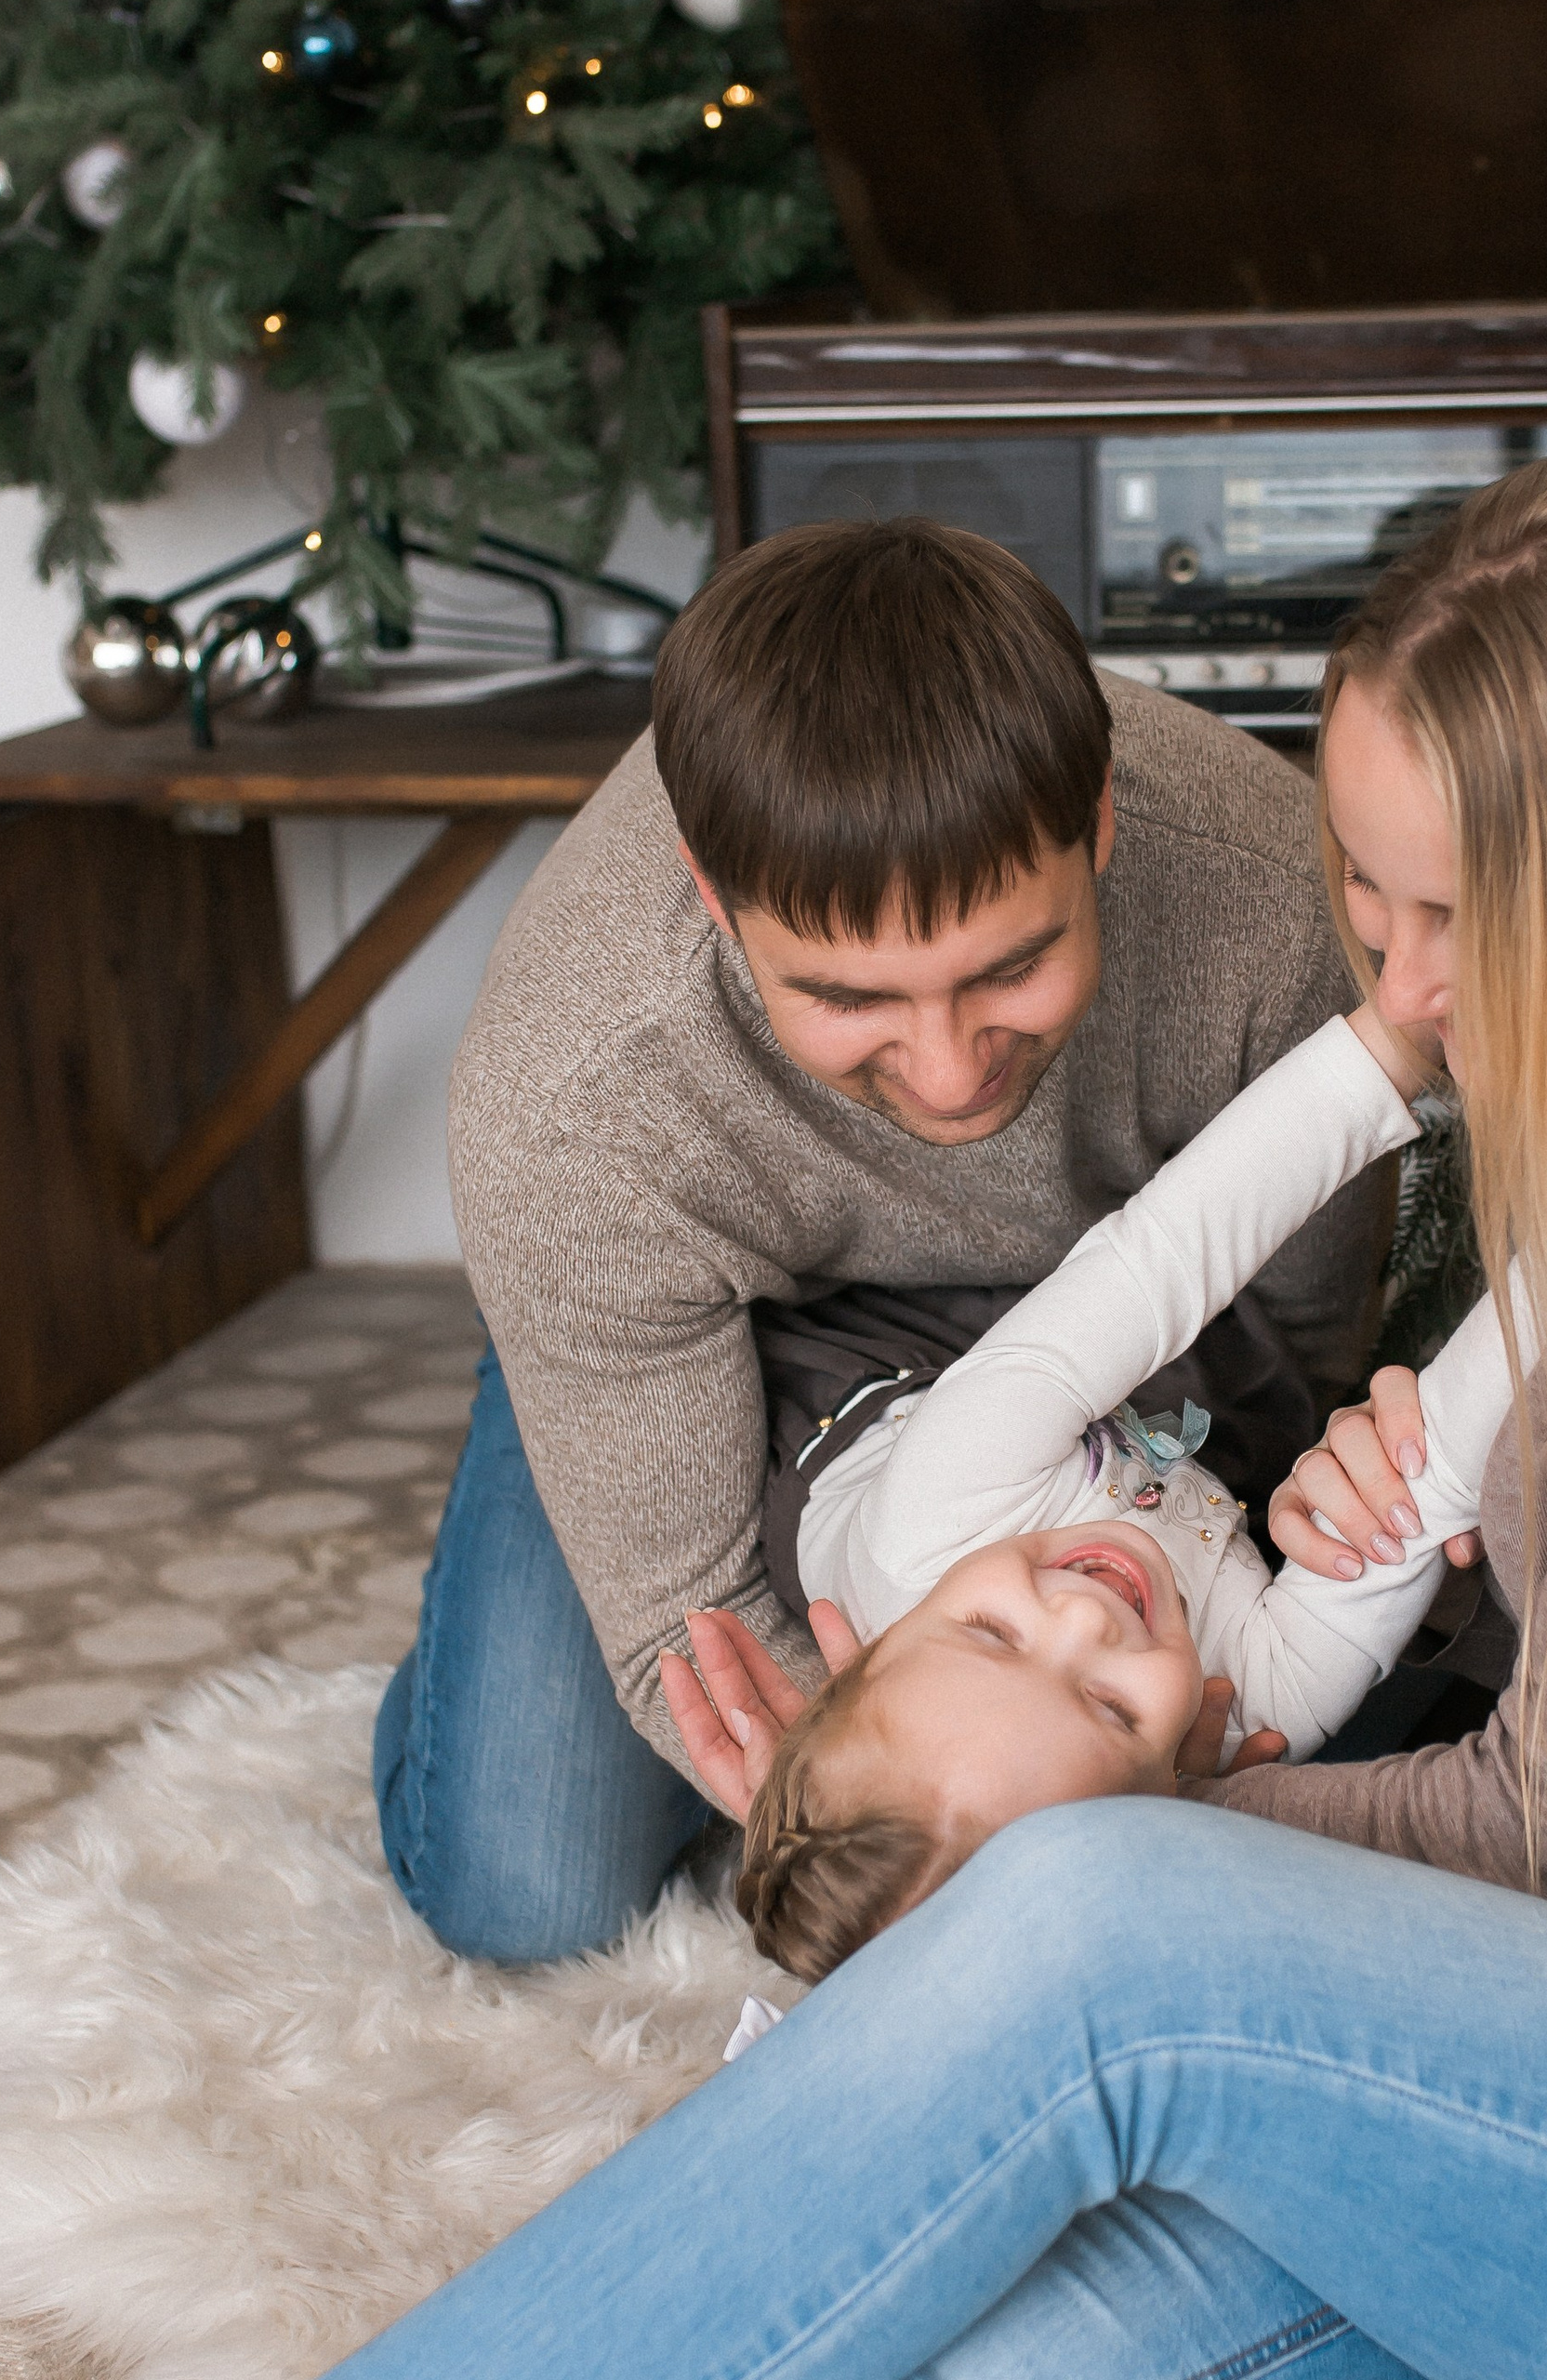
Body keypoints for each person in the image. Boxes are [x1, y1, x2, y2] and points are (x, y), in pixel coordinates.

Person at [332, 452, 1547, 2380]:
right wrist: (1436, 1497)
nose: (1409, 997)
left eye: (1463, 919)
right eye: (1366, 902)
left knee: (1091, 1919)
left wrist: (1060, 1788)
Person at [376, 517, 1395, 1964]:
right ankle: (535, 1455)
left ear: (1098, 825)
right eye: (854, 1000)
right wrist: (873, 1749)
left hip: (1142, 1367)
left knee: (1340, 1817)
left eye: (1011, 968)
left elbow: (1291, 1366)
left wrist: (1115, 1742)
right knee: (524, 1887)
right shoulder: (572, 1094)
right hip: (726, 1345)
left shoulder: (1270, 915)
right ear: (717, 903)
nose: (946, 1069)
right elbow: (700, 1612)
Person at [674, 998, 1524, 1982]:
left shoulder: (939, 1510)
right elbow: (1434, 1481)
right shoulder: (1257, 1718)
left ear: (869, 1646)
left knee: (1127, 1307)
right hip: (1145, 1454)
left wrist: (1393, 1048)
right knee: (1262, 1408)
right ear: (1178, 1798)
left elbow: (1164, 1252)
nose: (1085, 1614)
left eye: (991, 1633)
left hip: (873, 1372)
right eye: (1112, 1709)